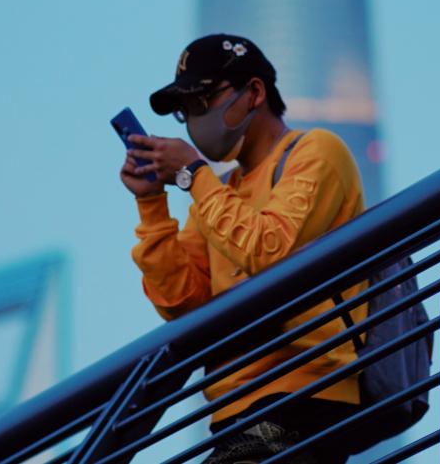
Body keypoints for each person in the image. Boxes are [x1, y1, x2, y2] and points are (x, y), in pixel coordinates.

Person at [120, 34, 368, 464]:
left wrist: (194, 175)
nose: (195, 119)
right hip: (233, 414)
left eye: (203, 100)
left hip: (303, 394)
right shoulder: (220, 193)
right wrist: (151, 204)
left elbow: (268, 250)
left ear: (253, 92)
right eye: (186, 111)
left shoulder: (316, 153)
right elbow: (183, 302)